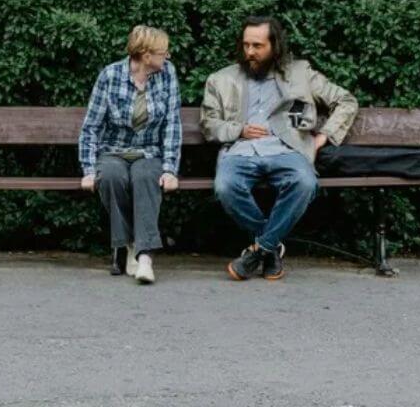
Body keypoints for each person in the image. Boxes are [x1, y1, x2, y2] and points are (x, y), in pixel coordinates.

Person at [200, 16, 358, 281]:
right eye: (246, 45)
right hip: (240, 150)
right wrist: (238, 129)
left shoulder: (301, 73)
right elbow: (208, 124)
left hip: (287, 148)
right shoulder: (221, 79)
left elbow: (346, 101)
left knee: (305, 183)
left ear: (275, 46)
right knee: (225, 187)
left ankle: (259, 250)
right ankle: (270, 250)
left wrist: (324, 137)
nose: (250, 52)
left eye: (258, 46)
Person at [78, 25, 181, 284]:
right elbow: (91, 126)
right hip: (112, 151)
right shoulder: (110, 75)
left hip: (149, 152)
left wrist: (169, 169)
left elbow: (172, 125)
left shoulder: (168, 74)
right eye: (163, 52)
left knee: (146, 177)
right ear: (147, 56)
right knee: (111, 176)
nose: (167, 57)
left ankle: (144, 256)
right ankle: (125, 246)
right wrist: (89, 170)